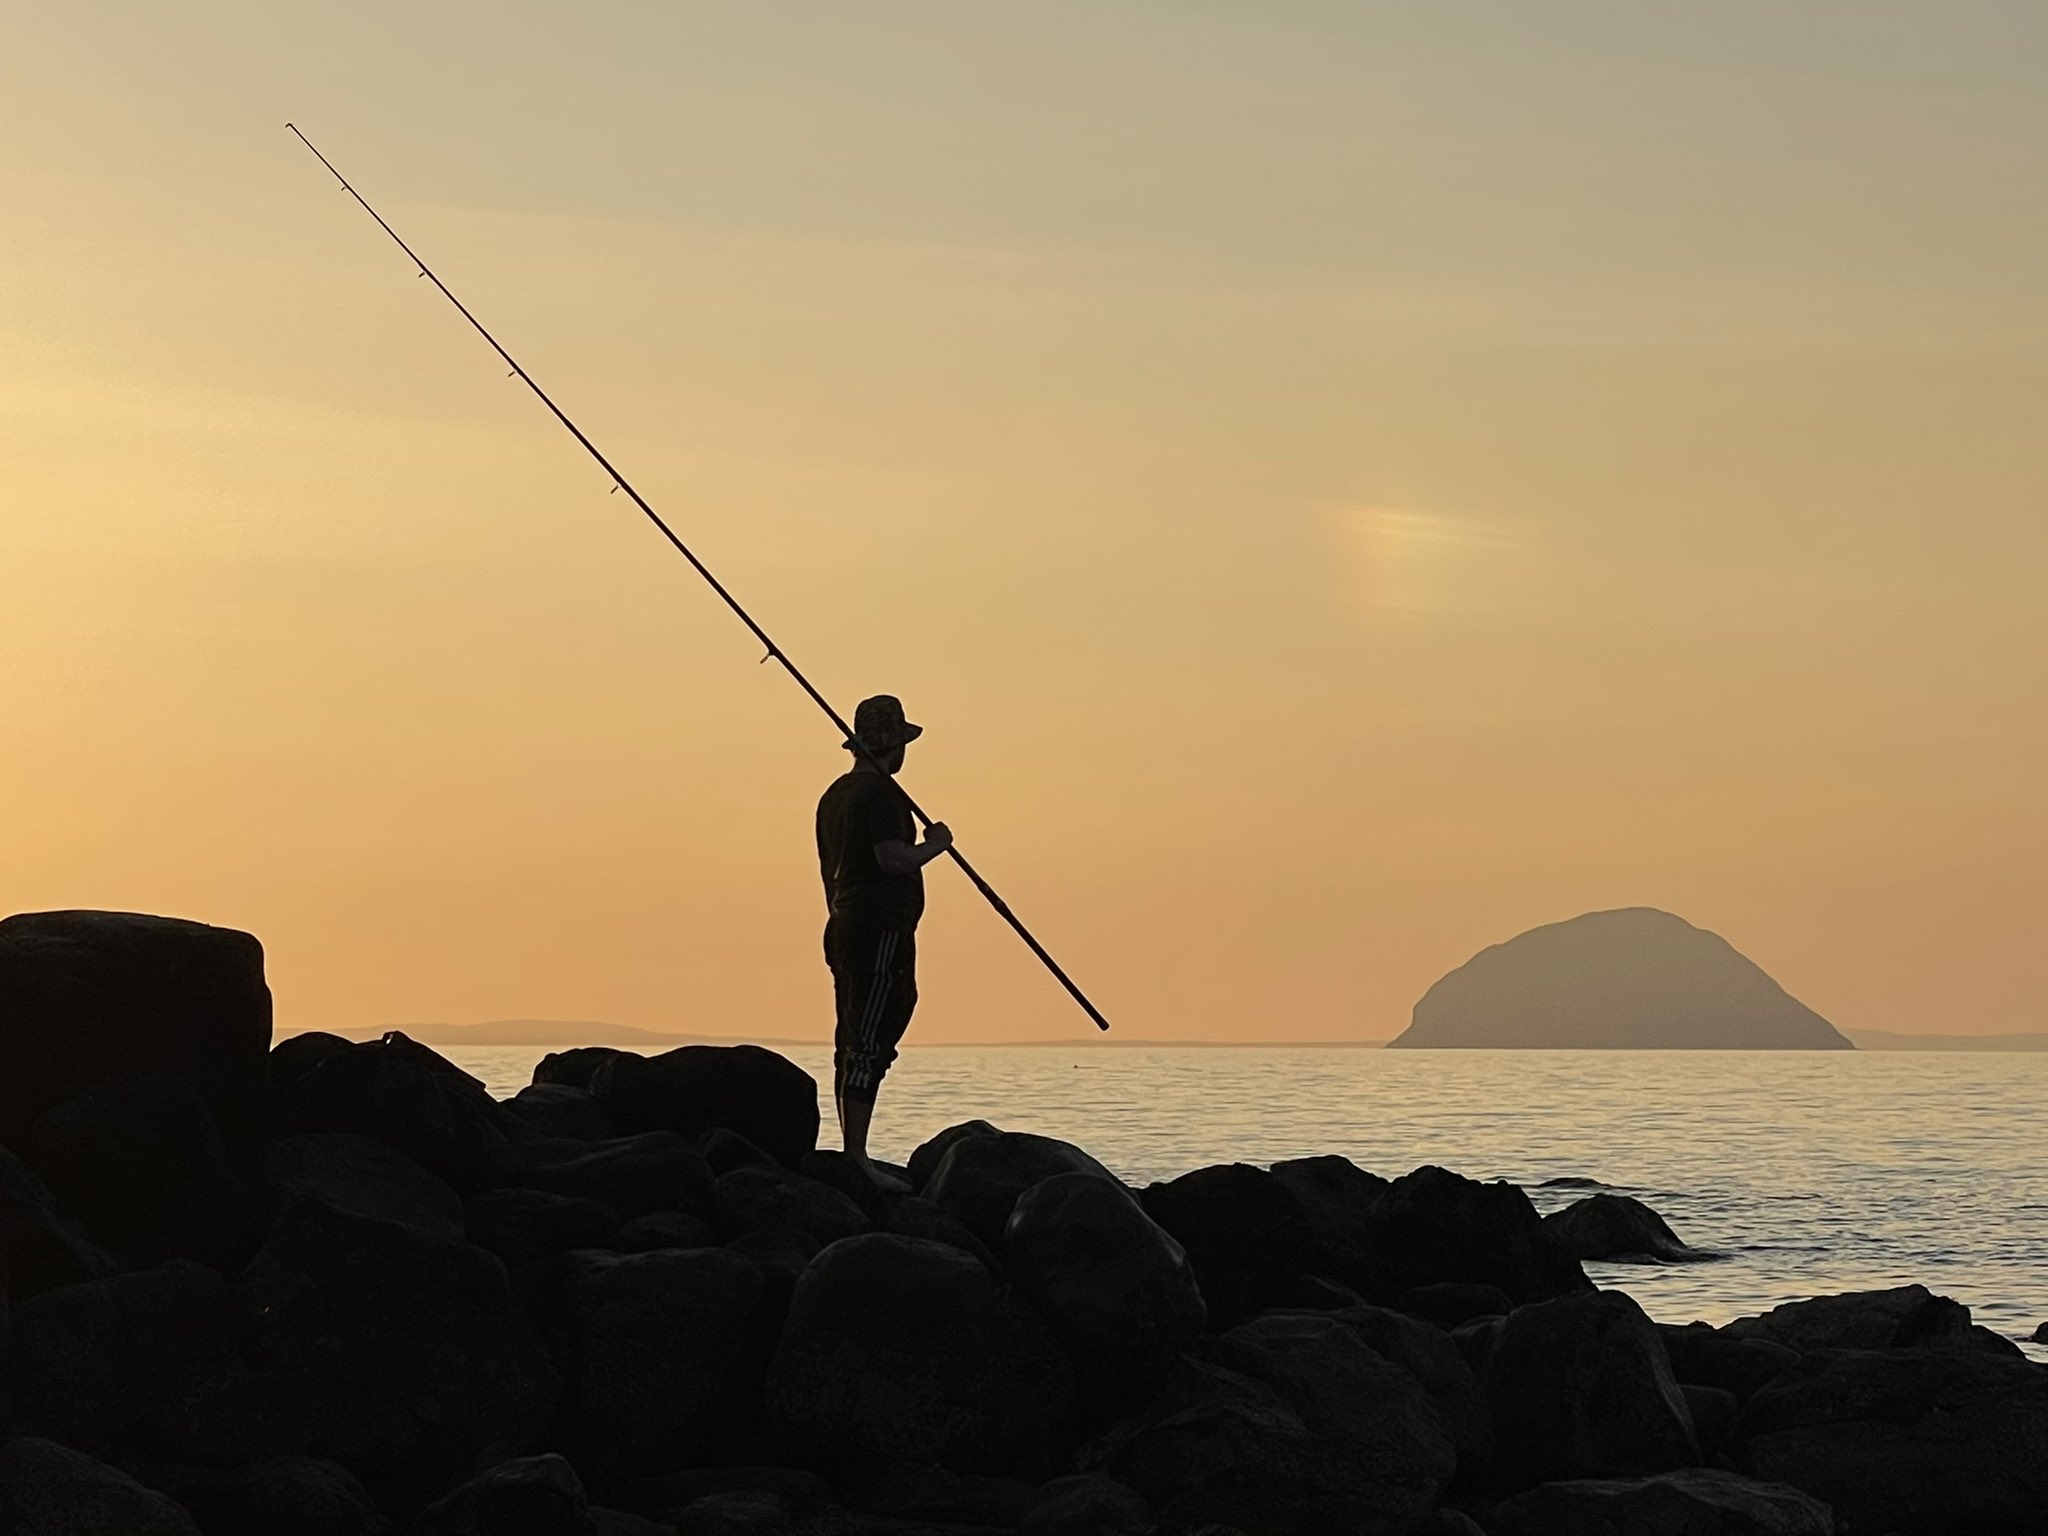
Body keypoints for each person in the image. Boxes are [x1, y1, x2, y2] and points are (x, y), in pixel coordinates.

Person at [815, 694, 951, 1184]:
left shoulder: (834, 796)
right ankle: (857, 1156)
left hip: (844, 925)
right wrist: (934, 846)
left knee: (851, 1035)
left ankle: (854, 1148)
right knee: (872, 1035)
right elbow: (891, 858)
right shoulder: (881, 798)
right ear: (893, 746)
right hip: (879, 931)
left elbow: (832, 869)